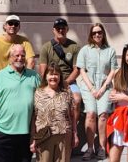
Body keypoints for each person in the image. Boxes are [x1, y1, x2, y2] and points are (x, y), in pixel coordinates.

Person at [0, 15, 37, 160]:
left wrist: (25, 77)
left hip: (20, 79)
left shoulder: (24, 42)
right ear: (5, 26)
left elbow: (31, 60)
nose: (13, 26)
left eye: (16, 24)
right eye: (10, 23)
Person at [0, 44, 40, 162]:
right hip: (3, 134)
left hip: (26, 135)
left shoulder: (34, 76)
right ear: (10, 57)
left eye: (23, 55)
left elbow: (41, 101)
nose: (20, 58)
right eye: (16, 55)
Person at [37, 18, 83, 156]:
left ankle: (71, 131)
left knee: (76, 99)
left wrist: (66, 82)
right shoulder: (46, 47)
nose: (61, 30)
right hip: (51, 81)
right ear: (53, 30)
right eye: (58, 28)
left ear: (67, 29)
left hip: (69, 81)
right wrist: (51, 83)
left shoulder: (74, 47)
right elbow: (42, 69)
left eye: (63, 28)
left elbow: (77, 69)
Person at [76, 23, 117, 160]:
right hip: (89, 87)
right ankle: (89, 148)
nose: (97, 35)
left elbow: (112, 71)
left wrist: (103, 87)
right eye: (94, 33)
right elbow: (82, 70)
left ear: (103, 33)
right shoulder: (85, 50)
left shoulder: (110, 50)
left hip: (105, 87)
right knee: (91, 114)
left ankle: (101, 147)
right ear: (91, 35)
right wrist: (93, 89)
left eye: (99, 32)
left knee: (103, 115)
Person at [30, 64, 78, 162]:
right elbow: (34, 118)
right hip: (43, 137)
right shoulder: (38, 93)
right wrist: (33, 139)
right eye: (50, 74)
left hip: (63, 136)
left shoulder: (66, 92)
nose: (53, 77)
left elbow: (72, 115)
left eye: (56, 74)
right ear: (46, 76)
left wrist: (75, 134)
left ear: (60, 77)